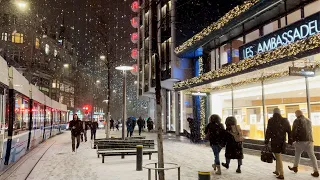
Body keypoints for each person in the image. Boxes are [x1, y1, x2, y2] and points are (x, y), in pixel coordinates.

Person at [288, 110, 319, 177]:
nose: (295, 115)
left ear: (297, 114)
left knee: (297, 153)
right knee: (312, 156)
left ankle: (295, 167)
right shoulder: (309, 120)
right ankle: (316, 171)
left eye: (295, 114)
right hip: (310, 140)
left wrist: (291, 141)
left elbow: (294, 131)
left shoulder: (297, 120)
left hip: (300, 141)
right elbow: (310, 130)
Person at [265, 108, 292, 179]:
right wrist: (290, 141)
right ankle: (277, 170)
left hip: (274, 141)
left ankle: (281, 174)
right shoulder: (285, 120)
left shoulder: (271, 120)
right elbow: (289, 131)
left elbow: (268, 132)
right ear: (280, 113)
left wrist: (266, 141)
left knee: (278, 156)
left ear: (273, 113)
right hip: (282, 141)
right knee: (277, 155)